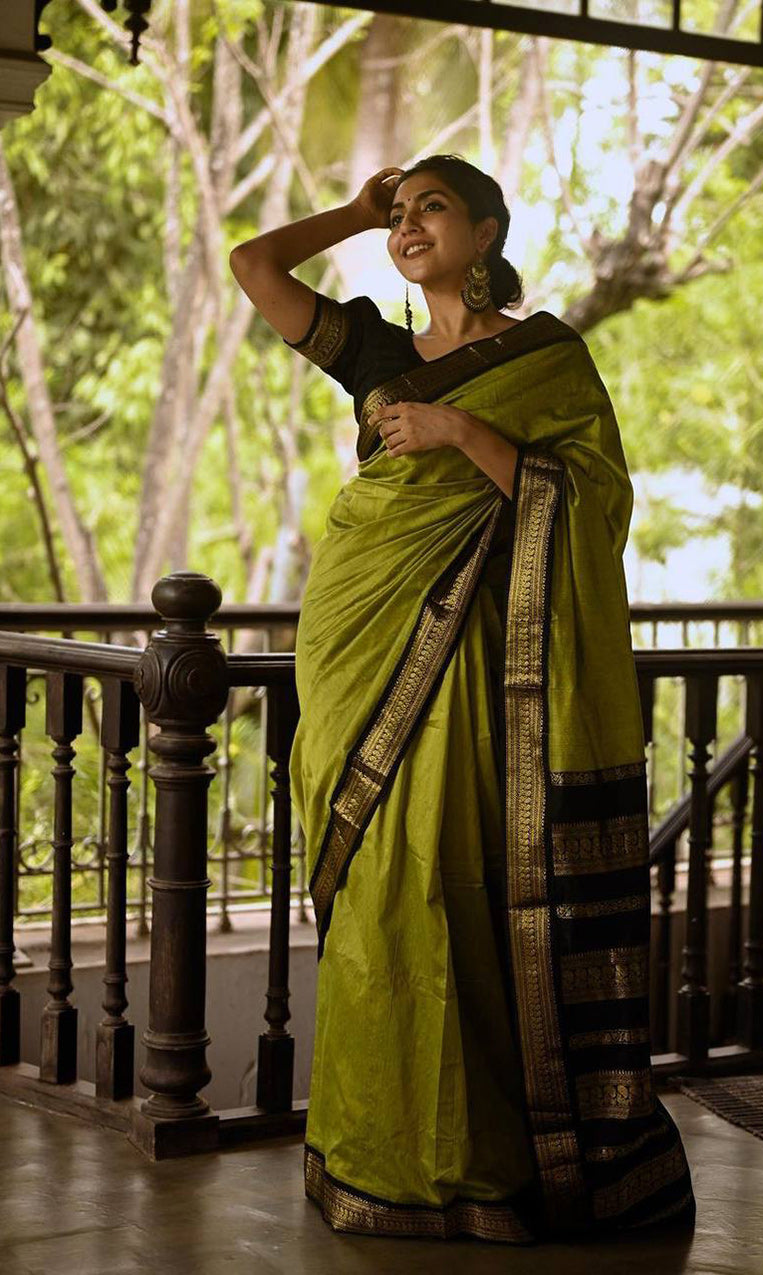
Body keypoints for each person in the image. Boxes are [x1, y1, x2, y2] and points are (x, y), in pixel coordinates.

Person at [229, 154, 695, 1243]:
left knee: (452, 888)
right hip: (360, 647)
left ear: (486, 231)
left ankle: (485, 1159)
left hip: (480, 668)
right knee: (381, 896)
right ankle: (378, 1148)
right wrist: (348, 211)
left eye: (428, 207)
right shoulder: (380, 354)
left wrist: (466, 434)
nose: (407, 225)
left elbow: (592, 505)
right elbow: (252, 265)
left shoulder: (546, 357)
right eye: (399, 214)